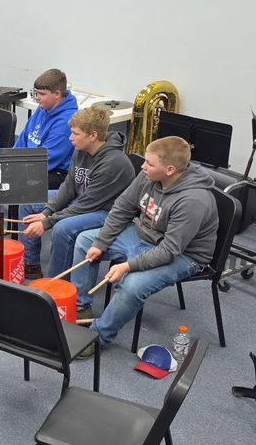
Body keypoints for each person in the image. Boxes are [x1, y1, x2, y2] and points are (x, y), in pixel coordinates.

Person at [69, 136, 219, 357]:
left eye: (149, 163)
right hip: (144, 233)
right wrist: (101, 243)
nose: (142, 166)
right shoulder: (148, 176)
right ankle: (81, 307)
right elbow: (122, 207)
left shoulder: (193, 201)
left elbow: (169, 251)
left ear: (169, 169)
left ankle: (98, 336)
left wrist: (127, 266)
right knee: (85, 241)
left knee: (132, 286)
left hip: (185, 255)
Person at [19, 105, 136, 279]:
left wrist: (46, 222)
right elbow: (69, 186)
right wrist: (47, 212)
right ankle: (30, 264)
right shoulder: (81, 149)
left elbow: (87, 204)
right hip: (83, 201)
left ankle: (56, 283)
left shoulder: (114, 163)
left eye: (75, 133)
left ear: (93, 135)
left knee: (62, 229)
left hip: (106, 211)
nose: (70, 138)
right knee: (29, 201)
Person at [14, 69, 77, 190]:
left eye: (42, 94)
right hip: (34, 162)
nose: (37, 97)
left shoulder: (66, 121)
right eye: (36, 93)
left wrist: (17, 169)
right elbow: (24, 136)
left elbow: (48, 158)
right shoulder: (43, 107)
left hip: (56, 172)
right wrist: (10, 160)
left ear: (57, 94)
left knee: (17, 182)